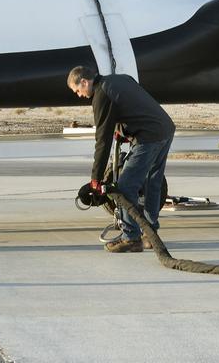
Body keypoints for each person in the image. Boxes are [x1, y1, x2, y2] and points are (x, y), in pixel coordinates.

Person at [68, 65, 175, 252]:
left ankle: (131, 237)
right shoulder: (119, 79)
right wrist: (123, 129)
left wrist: (96, 178)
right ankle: (151, 235)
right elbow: (131, 104)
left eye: (78, 90)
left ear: (84, 82)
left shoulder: (101, 95)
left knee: (125, 187)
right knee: (152, 183)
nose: (79, 95)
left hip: (149, 136)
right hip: (165, 127)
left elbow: (102, 140)